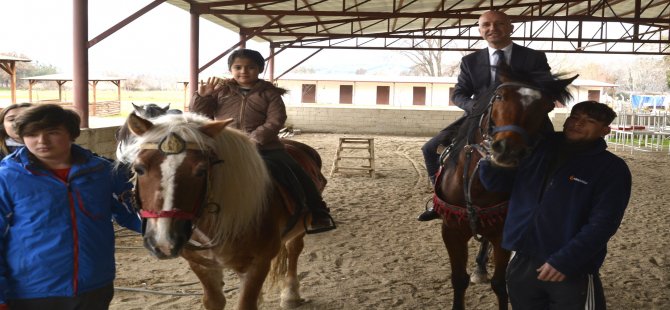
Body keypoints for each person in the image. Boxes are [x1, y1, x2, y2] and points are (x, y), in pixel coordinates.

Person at [479, 101, 631, 309]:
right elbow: (498, 184)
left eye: (589, 121)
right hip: (522, 257)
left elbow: (604, 223)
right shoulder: (536, 149)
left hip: (569, 267)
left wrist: (566, 261)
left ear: (605, 130)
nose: (578, 124)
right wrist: (490, 161)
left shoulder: (611, 168)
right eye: (575, 117)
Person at [0, 104, 142, 310]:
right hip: (31, 291)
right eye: (32, 134)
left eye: (53, 132)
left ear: (72, 134)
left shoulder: (104, 172)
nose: (42, 141)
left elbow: (135, 214)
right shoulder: (6, 178)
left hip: (94, 285)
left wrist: (178, 228)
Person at [418, 10, 552, 221]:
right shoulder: (470, 61)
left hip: (521, 121)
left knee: (549, 153)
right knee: (429, 148)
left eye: (499, 24)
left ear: (510, 27)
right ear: (480, 30)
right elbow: (460, 94)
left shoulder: (533, 58)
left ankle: (544, 203)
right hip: (479, 118)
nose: (492, 29)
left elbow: (546, 91)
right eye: (486, 25)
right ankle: (439, 201)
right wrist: (477, 109)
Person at [190, 48, 336, 234]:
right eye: (238, 67)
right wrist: (203, 97)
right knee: (194, 171)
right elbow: (201, 116)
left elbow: (275, 120)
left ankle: (318, 211)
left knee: (295, 171)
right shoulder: (220, 92)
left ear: (260, 69)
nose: (244, 71)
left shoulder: (270, 93)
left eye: (250, 67)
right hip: (226, 144)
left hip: (265, 146)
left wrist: (254, 139)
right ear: (231, 69)